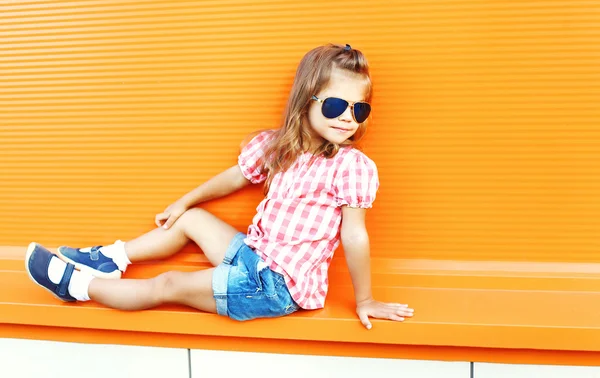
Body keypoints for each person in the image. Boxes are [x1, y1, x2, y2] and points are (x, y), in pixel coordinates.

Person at [25, 43, 414, 329]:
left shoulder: (351, 166)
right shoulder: (280, 148)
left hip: (275, 286)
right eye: (335, 106)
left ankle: (79, 286)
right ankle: (112, 259)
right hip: (255, 254)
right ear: (305, 102)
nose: (348, 118)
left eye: (358, 109)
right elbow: (234, 177)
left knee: (168, 284)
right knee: (191, 219)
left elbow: (355, 237)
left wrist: (365, 299)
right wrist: (183, 202)